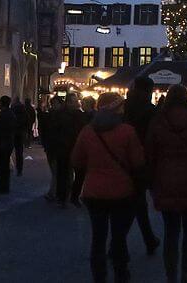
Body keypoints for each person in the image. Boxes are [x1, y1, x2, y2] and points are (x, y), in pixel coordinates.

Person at [72, 92, 145, 283]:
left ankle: (99, 276)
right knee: (118, 237)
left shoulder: (88, 131)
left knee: (98, 237)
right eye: (120, 106)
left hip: (94, 192)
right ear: (114, 109)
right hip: (122, 191)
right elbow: (138, 162)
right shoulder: (127, 131)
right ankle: (121, 273)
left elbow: (77, 160)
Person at [146, 85, 187, 283]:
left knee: (171, 232)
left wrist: (152, 181)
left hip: (166, 181)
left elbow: (150, 153)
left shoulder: (158, 121)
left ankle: (170, 276)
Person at [123, 76, 160, 254]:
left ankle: (149, 239)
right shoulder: (151, 111)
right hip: (142, 160)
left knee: (136, 202)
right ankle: (118, 242)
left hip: (122, 159)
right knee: (136, 201)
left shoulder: (123, 107)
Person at [53, 93, 88, 207]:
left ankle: (72, 196)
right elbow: (55, 132)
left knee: (78, 174)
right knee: (63, 174)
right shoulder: (61, 115)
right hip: (64, 148)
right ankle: (63, 197)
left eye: (77, 101)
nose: (77, 103)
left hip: (74, 148)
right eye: (74, 101)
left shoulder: (79, 115)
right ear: (68, 102)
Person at [0, 95, 17, 194]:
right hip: (8, 143)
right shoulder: (11, 115)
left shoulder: (3, 116)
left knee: (2, 167)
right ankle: (4, 187)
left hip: (2, 144)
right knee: (4, 167)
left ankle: (3, 187)